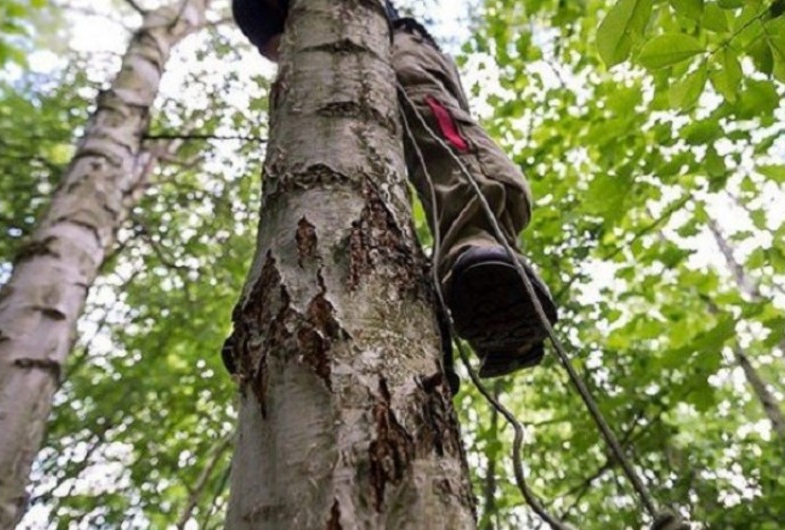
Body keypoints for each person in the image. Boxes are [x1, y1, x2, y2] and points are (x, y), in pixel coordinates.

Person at [230, 0, 558, 385]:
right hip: (340, 62)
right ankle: (468, 293)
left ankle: (482, 261)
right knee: (330, 159)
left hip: (394, 45)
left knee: (433, 124)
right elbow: (268, 38)